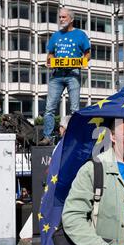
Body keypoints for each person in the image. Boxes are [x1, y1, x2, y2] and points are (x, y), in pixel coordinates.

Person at [39, 8, 91, 146]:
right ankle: (48, 137)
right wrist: (49, 61)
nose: (61, 19)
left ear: (71, 19)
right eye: (60, 17)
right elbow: (50, 54)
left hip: (73, 74)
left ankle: (74, 136)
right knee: (49, 108)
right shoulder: (55, 36)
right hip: (57, 75)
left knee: (74, 109)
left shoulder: (80, 35)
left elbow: (87, 53)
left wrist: (83, 62)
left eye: (63, 17)